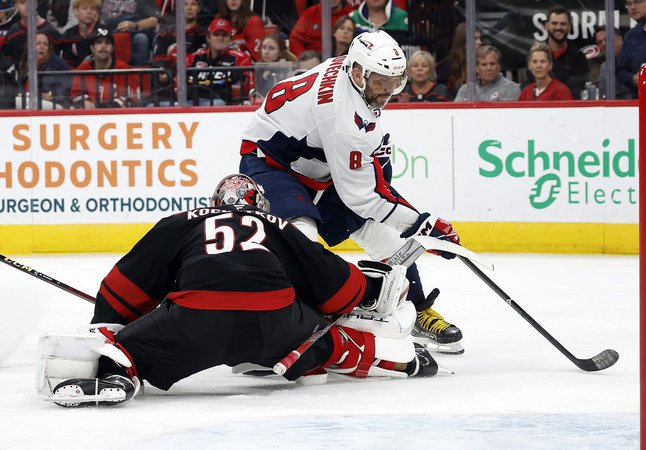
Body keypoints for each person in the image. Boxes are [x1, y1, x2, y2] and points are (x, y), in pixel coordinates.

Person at [40, 173, 437, 407]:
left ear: (213, 204)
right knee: (329, 342)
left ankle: (118, 374)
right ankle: (403, 361)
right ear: (261, 206)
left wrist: (113, 328)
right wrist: (366, 289)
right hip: (276, 324)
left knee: (123, 347)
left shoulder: (183, 221)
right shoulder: (277, 226)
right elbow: (331, 283)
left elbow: (125, 284)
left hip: (197, 323)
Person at [239, 30, 465, 355]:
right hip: (272, 164)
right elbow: (363, 196)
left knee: (388, 239)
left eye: (394, 81)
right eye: (380, 83)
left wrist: (408, 223)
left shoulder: (351, 74)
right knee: (300, 236)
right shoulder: (343, 117)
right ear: (358, 73)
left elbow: (368, 183)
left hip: (317, 165)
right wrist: (423, 225)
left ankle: (416, 307)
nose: (387, 92)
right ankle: (291, 322)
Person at [186, 17, 254, 105]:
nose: (220, 38)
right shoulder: (194, 57)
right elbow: (181, 85)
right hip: (192, 102)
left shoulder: (240, 58)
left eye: (224, 35)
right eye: (216, 34)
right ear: (208, 37)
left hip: (222, 104)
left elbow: (244, 87)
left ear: (230, 38)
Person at [151, 0, 206, 105]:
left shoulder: (203, 35)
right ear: (178, 8)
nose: (189, 8)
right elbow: (158, 58)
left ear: (199, 8)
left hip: (197, 88)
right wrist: (164, 71)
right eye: (185, 4)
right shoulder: (166, 33)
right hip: (169, 88)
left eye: (193, 4)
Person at [71, 26, 139, 108]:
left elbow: (128, 98)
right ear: (92, 48)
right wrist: (84, 102)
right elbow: (76, 94)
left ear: (113, 48)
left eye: (107, 43)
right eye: (99, 42)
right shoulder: (84, 68)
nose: (103, 46)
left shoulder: (123, 68)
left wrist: (99, 107)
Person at [15, 30, 71, 109]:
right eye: (38, 44)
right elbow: (19, 87)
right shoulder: (25, 64)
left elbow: (64, 94)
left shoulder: (59, 65)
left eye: (46, 44)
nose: (42, 47)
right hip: (29, 101)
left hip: (55, 105)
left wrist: (47, 95)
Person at [543, 6, 588, 100]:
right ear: (546, 26)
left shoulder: (579, 57)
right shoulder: (535, 56)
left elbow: (576, 89)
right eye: (554, 23)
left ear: (569, 27)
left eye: (563, 24)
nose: (558, 27)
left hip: (570, 110)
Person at [1, 0, 61, 68]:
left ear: (36, 4)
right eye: (22, 3)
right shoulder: (13, 33)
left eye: (31, 2)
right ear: (16, 6)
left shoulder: (51, 32)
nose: (27, 6)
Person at [100, 0, 159, 66]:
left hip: (133, 35)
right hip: (103, 32)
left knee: (141, 39)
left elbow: (154, 21)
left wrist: (134, 25)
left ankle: (138, 74)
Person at [289, 0, 354, 58]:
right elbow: (295, 39)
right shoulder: (310, 13)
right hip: (311, 62)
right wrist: (304, 57)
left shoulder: (351, 14)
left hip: (339, 61)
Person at [454, 45, 520, 102]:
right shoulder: (466, 89)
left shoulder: (511, 88)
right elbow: (457, 113)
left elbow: (507, 115)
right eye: (484, 64)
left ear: (499, 66)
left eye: (492, 64)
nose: (488, 68)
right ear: (476, 68)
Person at [436, 23, 481, 100]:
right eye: (475, 39)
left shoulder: (484, 63)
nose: (480, 42)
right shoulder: (447, 64)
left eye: (480, 38)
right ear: (463, 41)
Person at [60, 0, 103, 68]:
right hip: (74, 76)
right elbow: (66, 63)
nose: (89, 12)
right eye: (84, 8)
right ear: (75, 11)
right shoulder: (69, 34)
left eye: (93, 9)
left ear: (97, 13)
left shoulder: (104, 33)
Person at [594, 25, 632, 100]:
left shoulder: (634, 60)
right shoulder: (604, 67)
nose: (603, 44)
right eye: (599, 42)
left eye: (607, 39)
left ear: (620, 39)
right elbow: (603, 99)